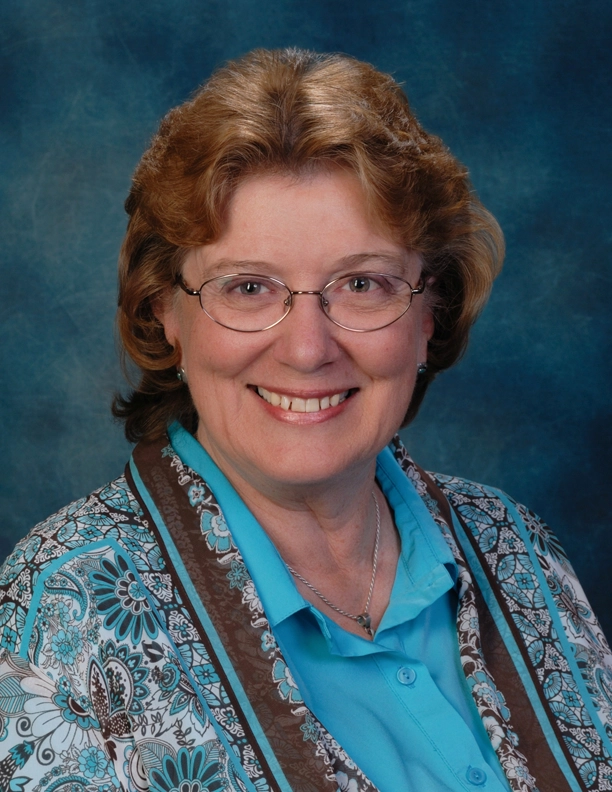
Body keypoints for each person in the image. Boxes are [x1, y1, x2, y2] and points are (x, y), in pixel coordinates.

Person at [0, 48, 609, 792]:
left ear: (430, 313)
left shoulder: (517, 550)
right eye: (249, 287)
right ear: (165, 313)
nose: (308, 347)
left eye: (361, 283)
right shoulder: (65, 612)